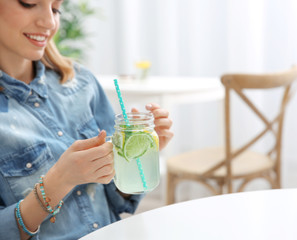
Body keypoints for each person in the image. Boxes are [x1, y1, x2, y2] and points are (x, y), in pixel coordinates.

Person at [0, 0, 174, 239]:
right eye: (29, 3)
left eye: (55, 8)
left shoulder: (81, 82)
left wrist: (138, 158)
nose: (50, 22)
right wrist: (57, 183)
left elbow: (117, 199)